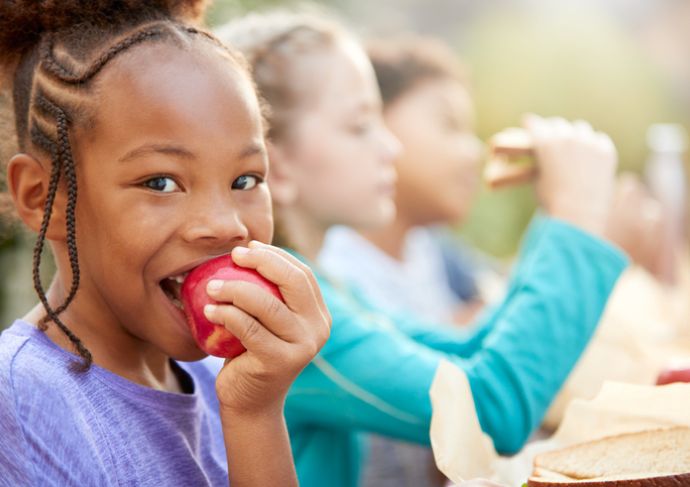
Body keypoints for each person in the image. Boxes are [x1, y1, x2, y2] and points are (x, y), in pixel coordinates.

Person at [216, 11, 627, 487]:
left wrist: (558, 220)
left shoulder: (319, 286)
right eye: (359, 125)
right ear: (277, 164)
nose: (390, 147)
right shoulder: (276, 312)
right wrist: (575, 215)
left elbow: (467, 351)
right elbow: (486, 414)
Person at [0, 2, 330, 486]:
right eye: (159, 182)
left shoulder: (218, 381)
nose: (225, 225)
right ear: (42, 197)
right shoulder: (20, 401)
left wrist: (256, 414)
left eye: (244, 179)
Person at [319, 35, 491, 327]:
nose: (474, 152)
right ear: (372, 117)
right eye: (450, 124)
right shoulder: (331, 278)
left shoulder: (434, 250)